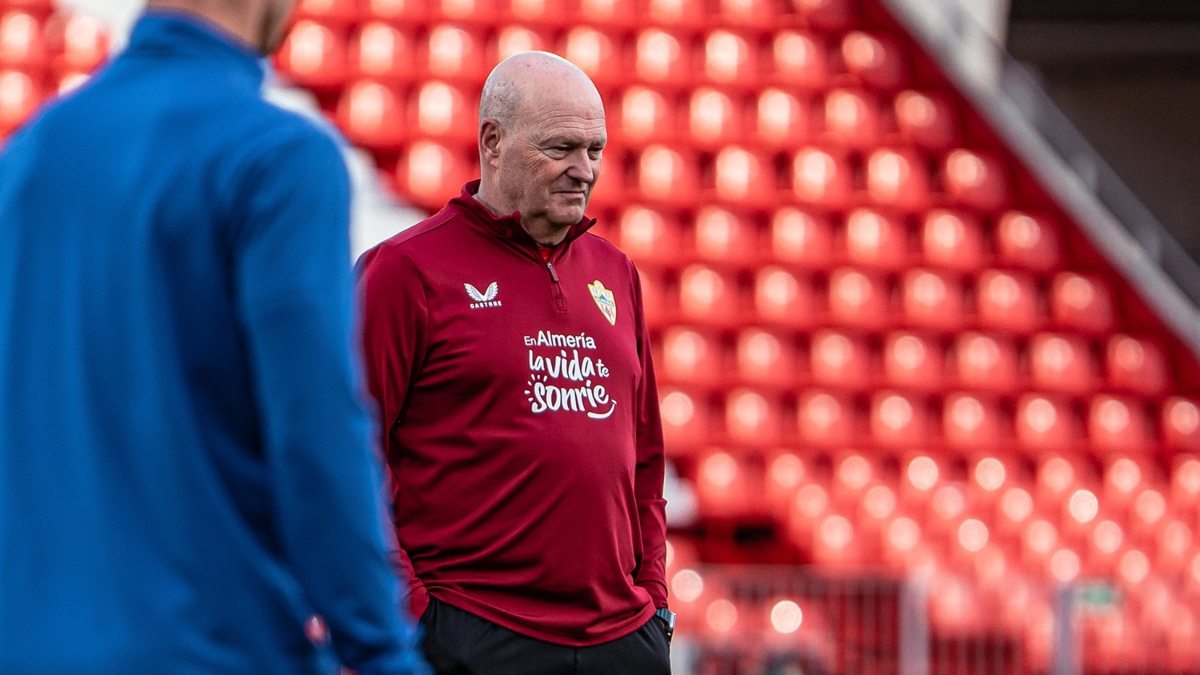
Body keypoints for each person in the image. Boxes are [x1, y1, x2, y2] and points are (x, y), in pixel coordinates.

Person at [0, 2, 428, 673]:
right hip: (212, 647)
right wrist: (380, 650)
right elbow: (315, 436)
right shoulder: (276, 157)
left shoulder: (27, 157)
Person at [357, 52, 673, 674]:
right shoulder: (405, 273)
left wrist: (654, 600)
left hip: (621, 638)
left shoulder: (617, 274)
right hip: (474, 633)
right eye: (561, 148)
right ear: (493, 142)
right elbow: (347, 454)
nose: (584, 171)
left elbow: (646, 459)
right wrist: (416, 615)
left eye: (595, 150)